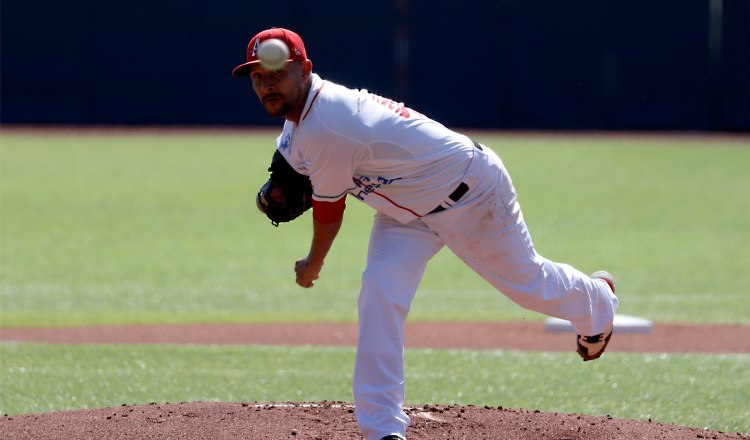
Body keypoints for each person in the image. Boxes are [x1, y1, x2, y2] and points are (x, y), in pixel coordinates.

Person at [233, 27, 620, 440]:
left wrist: (313, 264)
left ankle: (599, 302)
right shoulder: (300, 123)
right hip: (406, 212)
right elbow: (289, 169)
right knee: (380, 290)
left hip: (469, 193)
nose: (266, 84)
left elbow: (330, 211)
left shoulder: (328, 122)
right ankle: (382, 429)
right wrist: (272, 196)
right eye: (258, 77)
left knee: (529, 284)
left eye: (276, 72)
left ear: (304, 70)